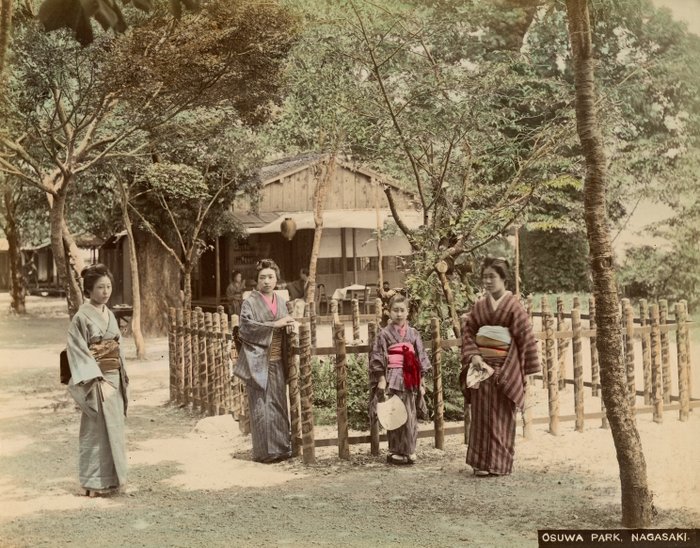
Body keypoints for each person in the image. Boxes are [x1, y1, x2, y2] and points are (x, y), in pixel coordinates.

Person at [459, 257, 540, 476]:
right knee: (481, 415)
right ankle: (479, 462)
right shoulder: (480, 306)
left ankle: (498, 464)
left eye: (492, 277)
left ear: (503, 279)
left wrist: (524, 372)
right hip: (481, 367)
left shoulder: (513, 307)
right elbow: (468, 331)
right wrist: (474, 354)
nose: (487, 281)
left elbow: (525, 338)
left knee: (500, 416)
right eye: (484, 277)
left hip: (505, 367)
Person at [66, 263, 129, 496]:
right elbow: (76, 350)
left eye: (109, 286)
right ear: (89, 290)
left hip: (113, 377)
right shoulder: (81, 317)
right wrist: (95, 378)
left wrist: (121, 375)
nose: (106, 292)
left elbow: (118, 347)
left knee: (114, 428)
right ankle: (93, 482)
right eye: (100, 287)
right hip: (95, 379)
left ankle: (113, 480)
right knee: (95, 430)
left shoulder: (110, 314)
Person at [233, 259, 297, 463]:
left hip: (278, 358)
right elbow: (245, 328)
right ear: (257, 280)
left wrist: (288, 326)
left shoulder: (280, 301)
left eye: (270, 277)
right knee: (261, 405)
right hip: (257, 359)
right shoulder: (249, 302)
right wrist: (276, 324)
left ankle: (282, 448)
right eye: (263, 277)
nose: (267, 281)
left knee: (278, 403)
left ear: (276, 279)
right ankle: (264, 452)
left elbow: (286, 325)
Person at [369, 293, 431, 465]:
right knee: (395, 411)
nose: (398, 313)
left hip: (411, 376)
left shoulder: (413, 333)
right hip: (394, 375)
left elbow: (420, 356)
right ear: (388, 312)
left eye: (402, 310)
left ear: (407, 312)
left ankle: (410, 450)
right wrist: (381, 379)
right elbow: (377, 357)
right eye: (395, 310)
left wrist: (422, 380)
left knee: (410, 413)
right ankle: (396, 451)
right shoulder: (384, 335)